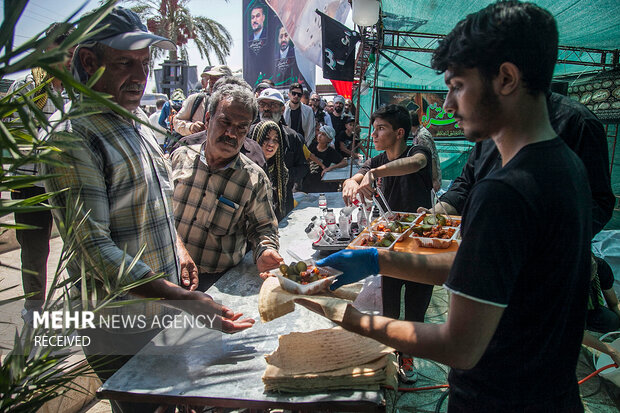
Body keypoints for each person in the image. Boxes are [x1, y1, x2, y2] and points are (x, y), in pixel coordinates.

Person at [302, 2, 592, 411]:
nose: (449, 104)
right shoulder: (566, 165)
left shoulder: (505, 192)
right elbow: (479, 269)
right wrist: (376, 260)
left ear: (506, 78)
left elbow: (459, 346)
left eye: (457, 85)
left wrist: (348, 319)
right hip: (551, 394)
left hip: (498, 399)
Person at [42, 7, 254, 413]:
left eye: (145, 63)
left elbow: (151, 202)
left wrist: (176, 247)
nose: (140, 77)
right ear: (89, 62)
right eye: (125, 63)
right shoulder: (72, 137)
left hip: (160, 312)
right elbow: (94, 251)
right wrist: (185, 300)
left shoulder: (135, 123)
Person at [342, 104, 433, 383]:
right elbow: (360, 175)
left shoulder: (417, 152)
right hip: (390, 245)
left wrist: (375, 173)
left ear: (400, 132)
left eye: (381, 128)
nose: (375, 134)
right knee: (390, 306)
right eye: (374, 128)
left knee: (416, 308)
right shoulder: (375, 160)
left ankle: (408, 356)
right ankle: (392, 353)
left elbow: (415, 165)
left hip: (421, 246)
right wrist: (351, 181)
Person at [172, 84, 283, 291]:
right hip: (167, 274)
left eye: (242, 127)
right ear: (207, 120)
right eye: (225, 122)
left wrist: (265, 251)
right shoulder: (180, 157)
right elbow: (158, 211)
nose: (232, 133)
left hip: (216, 284)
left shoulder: (254, 178)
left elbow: (263, 227)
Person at [8, 22, 75, 323]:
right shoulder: (27, 88)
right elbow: (10, 136)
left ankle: (78, 305)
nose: (72, 58)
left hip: (67, 185)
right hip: (32, 183)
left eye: (75, 51)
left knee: (77, 246)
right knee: (35, 251)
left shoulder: (78, 90)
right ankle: (34, 308)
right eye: (68, 50)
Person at [251, 88, 309, 215]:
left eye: (272, 105)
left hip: (283, 204)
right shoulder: (248, 134)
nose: (266, 109)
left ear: (282, 109)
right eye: (262, 104)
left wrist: (282, 175)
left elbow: (304, 168)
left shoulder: (292, 137)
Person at [173, 65, 232, 137]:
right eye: (210, 78)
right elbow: (177, 121)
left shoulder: (236, 105)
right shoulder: (196, 100)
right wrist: (190, 127)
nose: (211, 81)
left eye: (216, 78)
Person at [251, 120, 290, 221]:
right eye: (266, 138)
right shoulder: (247, 170)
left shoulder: (281, 172)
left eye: (275, 140)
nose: (271, 144)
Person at [302, 125, 347, 193]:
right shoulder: (312, 145)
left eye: (323, 135)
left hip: (322, 184)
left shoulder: (331, 152)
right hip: (309, 181)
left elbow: (344, 162)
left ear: (330, 139)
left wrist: (330, 168)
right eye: (319, 133)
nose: (319, 136)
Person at [410, 110, 442, 192]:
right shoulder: (417, 134)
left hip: (430, 179)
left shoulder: (422, 136)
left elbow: (431, 158)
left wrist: (434, 180)